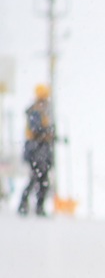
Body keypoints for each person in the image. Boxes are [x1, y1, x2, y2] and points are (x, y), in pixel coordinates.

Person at [18, 84, 56, 216]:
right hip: (37, 150)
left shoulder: (42, 112)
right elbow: (36, 131)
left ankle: (37, 206)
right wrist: (47, 134)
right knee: (37, 177)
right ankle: (25, 204)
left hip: (41, 150)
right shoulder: (35, 112)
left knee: (41, 179)